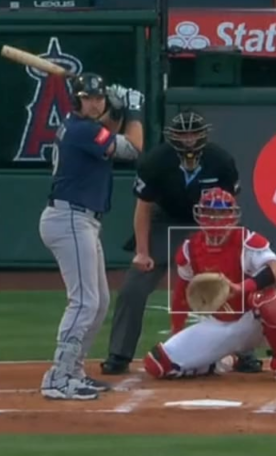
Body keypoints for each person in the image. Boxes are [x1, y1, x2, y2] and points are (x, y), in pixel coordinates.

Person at [101, 110, 261, 377]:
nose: (189, 140)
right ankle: (119, 354)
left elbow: (231, 207)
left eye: (194, 133)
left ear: (204, 134)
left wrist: (226, 243)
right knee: (133, 287)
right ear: (172, 136)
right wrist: (142, 252)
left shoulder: (220, 161)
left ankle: (245, 352)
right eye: (183, 134)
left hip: (210, 223)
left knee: (231, 282)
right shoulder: (156, 161)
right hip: (165, 222)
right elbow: (143, 208)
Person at [38, 73, 144, 401]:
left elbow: (108, 132)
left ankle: (73, 371)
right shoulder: (82, 130)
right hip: (69, 217)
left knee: (99, 303)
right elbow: (133, 148)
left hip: (80, 219)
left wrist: (117, 110)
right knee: (84, 301)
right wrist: (134, 111)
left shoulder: (84, 127)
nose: (95, 103)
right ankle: (58, 375)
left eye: (99, 98)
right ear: (77, 100)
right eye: (89, 98)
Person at [143, 189, 276, 384]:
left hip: (252, 322)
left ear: (232, 215)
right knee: (157, 364)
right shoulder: (190, 248)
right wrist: (177, 329)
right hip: (218, 323)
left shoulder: (246, 240)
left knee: (270, 300)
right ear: (200, 215)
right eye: (210, 213)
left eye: (221, 213)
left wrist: (241, 288)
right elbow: (181, 293)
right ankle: (220, 361)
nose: (215, 219)